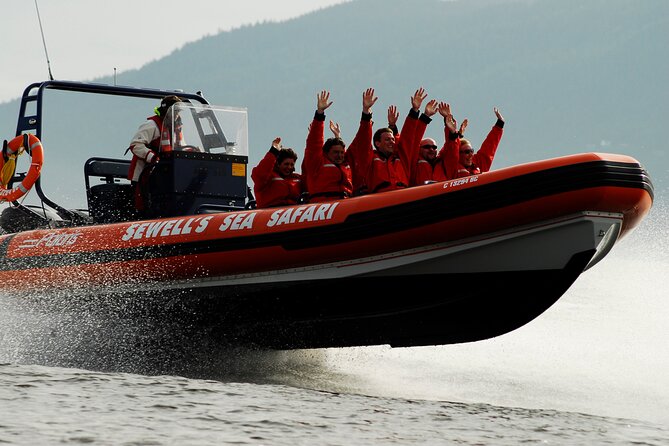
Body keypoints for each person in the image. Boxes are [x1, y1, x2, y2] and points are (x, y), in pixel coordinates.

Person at [349, 88, 429, 195]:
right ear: (377, 143)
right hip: (379, 199)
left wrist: (414, 111)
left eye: (392, 139)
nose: (391, 142)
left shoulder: (401, 158)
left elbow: (408, 137)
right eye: (387, 139)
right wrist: (366, 113)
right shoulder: (370, 159)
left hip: (403, 196)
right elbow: (363, 140)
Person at [302, 90, 368, 202]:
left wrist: (366, 114)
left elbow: (360, 142)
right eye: (336, 153)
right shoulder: (317, 164)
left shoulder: (346, 163)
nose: (340, 155)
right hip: (322, 205)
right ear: (326, 153)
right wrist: (319, 114)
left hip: (346, 204)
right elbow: (314, 143)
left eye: (342, 152)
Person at [126, 95, 182, 213]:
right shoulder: (152, 125)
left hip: (167, 174)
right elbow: (136, 144)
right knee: (143, 206)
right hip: (145, 173)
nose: (177, 114)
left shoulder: (176, 128)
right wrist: (152, 157)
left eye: (178, 111)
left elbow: (180, 147)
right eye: (175, 111)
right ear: (167, 111)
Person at [439, 105, 505, 179]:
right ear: (458, 154)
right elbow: (451, 148)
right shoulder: (452, 166)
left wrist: (500, 124)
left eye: (471, 151)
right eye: (467, 152)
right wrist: (452, 131)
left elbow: (489, 147)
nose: (471, 155)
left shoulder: (477, 164)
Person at [251, 137, 304, 208]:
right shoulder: (268, 177)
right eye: (286, 164)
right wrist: (273, 152)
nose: (289, 167)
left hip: (293, 213)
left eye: (292, 165)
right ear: (278, 164)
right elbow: (260, 175)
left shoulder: (297, 178)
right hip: (269, 212)